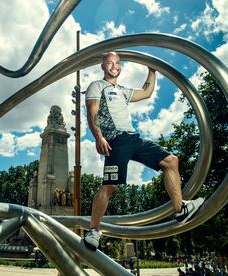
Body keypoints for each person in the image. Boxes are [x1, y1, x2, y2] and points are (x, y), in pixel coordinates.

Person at [83, 52, 204, 250]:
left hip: (134, 138)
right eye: (109, 63)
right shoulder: (97, 86)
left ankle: (180, 209)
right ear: (103, 67)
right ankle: (93, 231)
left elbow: (146, 92)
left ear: (120, 66)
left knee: (171, 161)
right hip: (115, 140)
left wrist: (152, 69)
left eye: (117, 63)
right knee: (110, 186)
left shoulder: (122, 90)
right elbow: (92, 112)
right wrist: (99, 136)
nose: (114, 66)